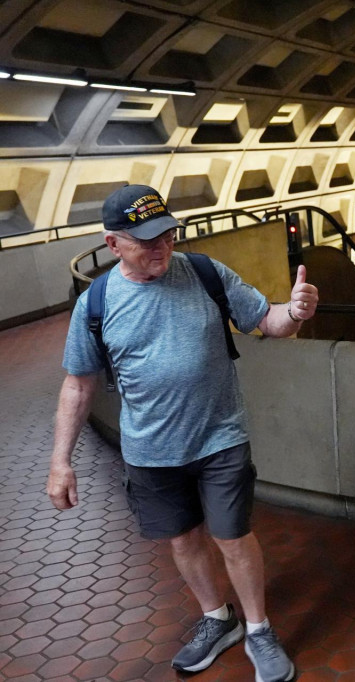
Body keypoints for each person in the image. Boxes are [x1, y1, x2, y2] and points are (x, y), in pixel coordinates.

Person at [46, 185, 317, 682]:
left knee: (233, 537)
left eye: (167, 236)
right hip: (150, 452)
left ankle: (258, 628)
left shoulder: (207, 273)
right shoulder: (96, 303)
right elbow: (79, 385)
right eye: (146, 241)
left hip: (220, 438)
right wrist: (60, 460)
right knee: (182, 539)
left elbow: (269, 322)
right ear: (113, 245)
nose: (162, 249)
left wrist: (294, 312)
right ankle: (219, 620)